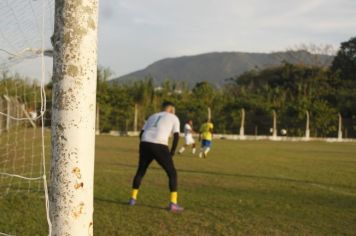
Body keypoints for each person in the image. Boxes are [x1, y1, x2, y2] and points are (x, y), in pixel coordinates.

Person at [129, 101, 183, 212]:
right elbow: (176, 136)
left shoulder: (153, 116)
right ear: (171, 109)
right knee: (172, 173)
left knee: (141, 170)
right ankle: (173, 204)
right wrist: (172, 152)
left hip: (145, 142)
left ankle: (132, 199)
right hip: (159, 144)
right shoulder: (174, 117)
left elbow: (141, 133)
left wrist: (145, 146)